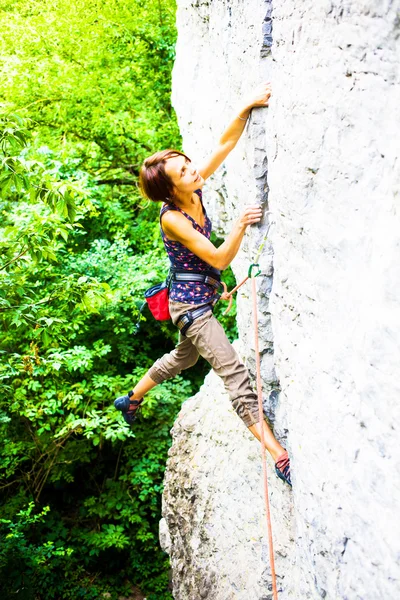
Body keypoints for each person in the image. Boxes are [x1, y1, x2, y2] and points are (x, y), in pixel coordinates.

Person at [114, 83, 291, 487]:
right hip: (192, 309)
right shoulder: (173, 217)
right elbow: (219, 258)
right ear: (170, 189)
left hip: (194, 297)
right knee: (234, 374)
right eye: (183, 171)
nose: (194, 170)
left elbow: (223, 146)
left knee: (185, 359)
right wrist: (240, 225)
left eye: (188, 164)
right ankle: (279, 456)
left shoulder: (192, 186)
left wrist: (246, 105)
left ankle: (132, 397)